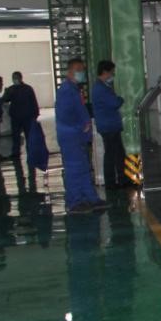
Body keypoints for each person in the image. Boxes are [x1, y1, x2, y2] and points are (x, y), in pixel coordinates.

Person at [56, 58, 107, 214]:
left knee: (84, 168)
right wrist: (80, 127)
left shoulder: (74, 89)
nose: (82, 73)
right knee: (74, 170)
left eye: (82, 70)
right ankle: (74, 202)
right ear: (70, 72)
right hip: (71, 137)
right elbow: (64, 116)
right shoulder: (66, 91)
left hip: (78, 137)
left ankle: (91, 198)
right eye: (78, 70)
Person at [92, 61, 129, 190]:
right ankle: (111, 182)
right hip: (109, 126)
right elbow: (115, 103)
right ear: (105, 72)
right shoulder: (101, 89)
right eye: (112, 72)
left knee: (117, 153)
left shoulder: (102, 87)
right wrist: (120, 99)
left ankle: (121, 179)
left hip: (109, 125)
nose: (113, 75)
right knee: (112, 154)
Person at [2, 71, 40, 193]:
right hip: (19, 117)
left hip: (24, 117)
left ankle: (23, 153)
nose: (15, 80)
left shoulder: (25, 89)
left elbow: (34, 102)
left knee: (26, 137)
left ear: (20, 78)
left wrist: (35, 114)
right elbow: (4, 99)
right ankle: (18, 153)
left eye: (16, 78)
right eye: (14, 78)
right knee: (18, 137)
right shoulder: (15, 89)